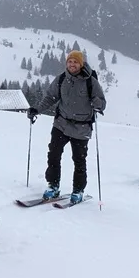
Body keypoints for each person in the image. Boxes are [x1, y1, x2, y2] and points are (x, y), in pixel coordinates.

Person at [27, 50, 107, 203]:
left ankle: (78, 190)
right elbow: (50, 97)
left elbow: (102, 103)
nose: (72, 64)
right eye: (70, 61)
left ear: (81, 64)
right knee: (53, 155)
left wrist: (98, 104)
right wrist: (37, 109)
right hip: (61, 124)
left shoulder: (91, 82)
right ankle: (53, 186)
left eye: (75, 62)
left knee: (79, 160)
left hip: (82, 128)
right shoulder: (62, 78)